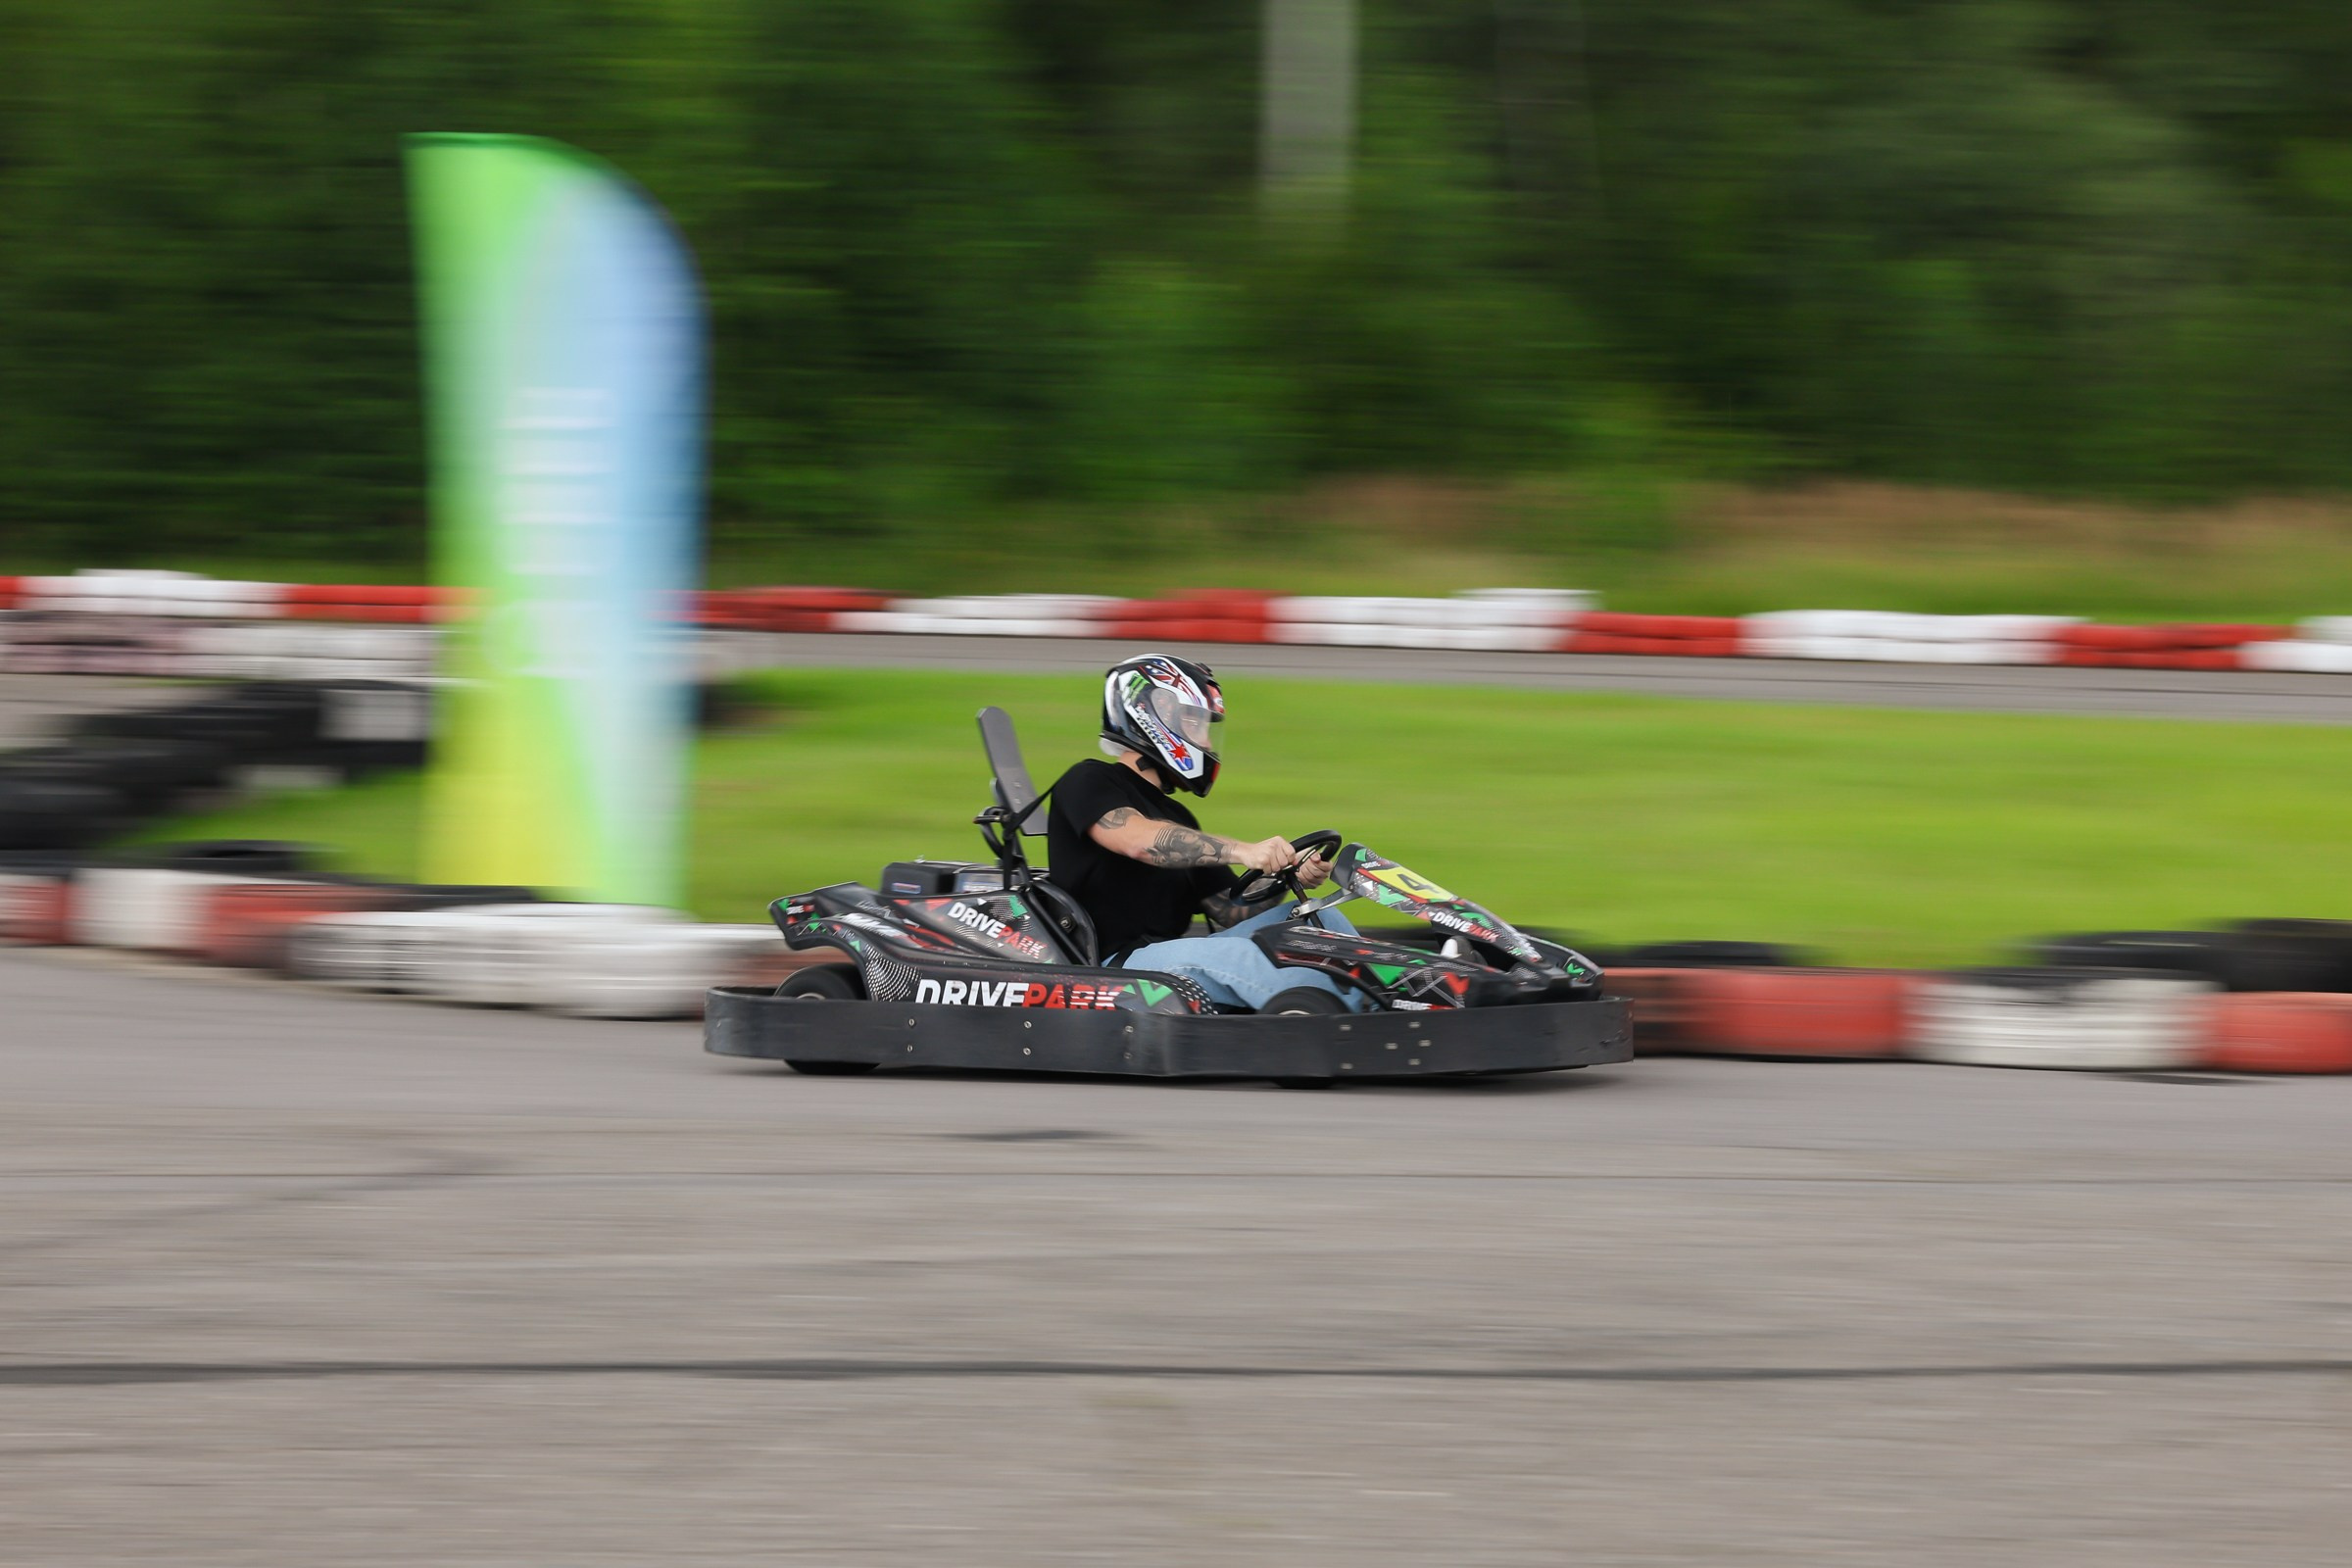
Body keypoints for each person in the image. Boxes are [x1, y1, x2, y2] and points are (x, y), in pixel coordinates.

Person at [1044, 653, 1362, 1012]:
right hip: (1119, 968)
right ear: (1154, 714)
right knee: (1243, 957)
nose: (1207, 741)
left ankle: (1383, 997)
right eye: (1195, 722)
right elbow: (1138, 840)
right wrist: (1244, 850)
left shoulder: (1176, 815)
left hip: (1165, 959)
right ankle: (1338, 1017)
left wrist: (1289, 873)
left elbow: (1232, 910)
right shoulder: (1087, 780)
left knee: (1319, 921)